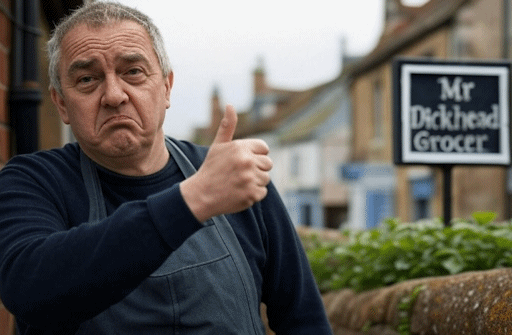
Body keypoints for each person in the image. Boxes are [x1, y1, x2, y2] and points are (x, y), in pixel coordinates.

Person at [0, 2, 333, 334]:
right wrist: (195, 199)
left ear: (166, 87)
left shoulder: (234, 178)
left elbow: (304, 321)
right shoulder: (31, 182)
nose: (114, 95)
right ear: (61, 104)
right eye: (87, 79)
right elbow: (28, 289)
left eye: (133, 72)